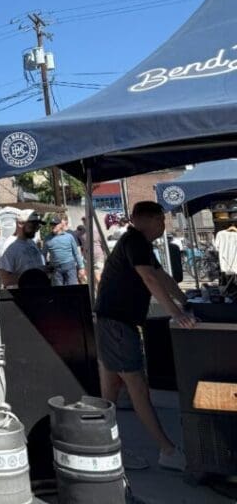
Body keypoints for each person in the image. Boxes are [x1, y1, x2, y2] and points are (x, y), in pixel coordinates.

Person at [94, 201, 195, 472]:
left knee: (111, 392)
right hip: (117, 324)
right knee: (137, 387)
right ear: (151, 220)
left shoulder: (141, 245)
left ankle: (104, 448)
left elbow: (162, 277)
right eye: (162, 220)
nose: (164, 226)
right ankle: (167, 450)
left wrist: (186, 300)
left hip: (112, 322)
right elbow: (150, 279)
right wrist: (177, 313)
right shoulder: (135, 241)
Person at [0, 210, 45, 287]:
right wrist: (33, 277)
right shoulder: (8, 247)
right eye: (33, 225)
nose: (36, 230)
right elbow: (5, 279)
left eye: (37, 226)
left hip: (39, 290)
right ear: (20, 223)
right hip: (22, 295)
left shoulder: (31, 242)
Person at [44, 215, 87, 286]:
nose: (53, 226)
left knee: (72, 291)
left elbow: (76, 253)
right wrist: (44, 268)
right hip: (55, 270)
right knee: (59, 294)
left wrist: (81, 268)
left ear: (61, 224)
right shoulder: (47, 239)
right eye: (51, 224)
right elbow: (43, 255)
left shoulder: (69, 237)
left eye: (55, 224)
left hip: (70, 268)